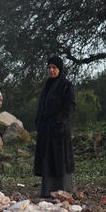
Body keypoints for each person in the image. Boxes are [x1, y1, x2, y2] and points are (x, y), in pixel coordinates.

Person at [33, 56, 77, 197]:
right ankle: (48, 191)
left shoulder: (66, 85)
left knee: (61, 159)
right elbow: (41, 107)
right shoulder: (46, 85)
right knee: (48, 158)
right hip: (46, 129)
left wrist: (60, 121)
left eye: (54, 68)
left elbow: (70, 106)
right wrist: (39, 121)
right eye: (49, 67)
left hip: (59, 129)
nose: (51, 70)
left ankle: (64, 190)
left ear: (60, 69)